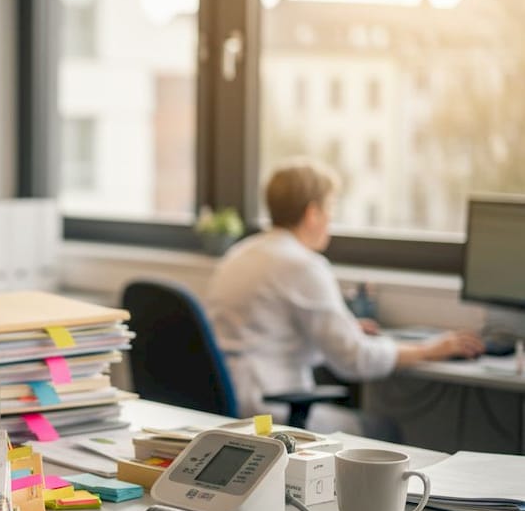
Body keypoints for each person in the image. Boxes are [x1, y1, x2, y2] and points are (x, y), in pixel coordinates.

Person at [205, 160, 484, 436]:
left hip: (226, 402)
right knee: (383, 430)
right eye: (330, 209)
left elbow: (268, 334)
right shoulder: (303, 265)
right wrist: (430, 349)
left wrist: (346, 328)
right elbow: (354, 359)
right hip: (270, 414)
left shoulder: (238, 255)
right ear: (313, 213)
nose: (331, 220)